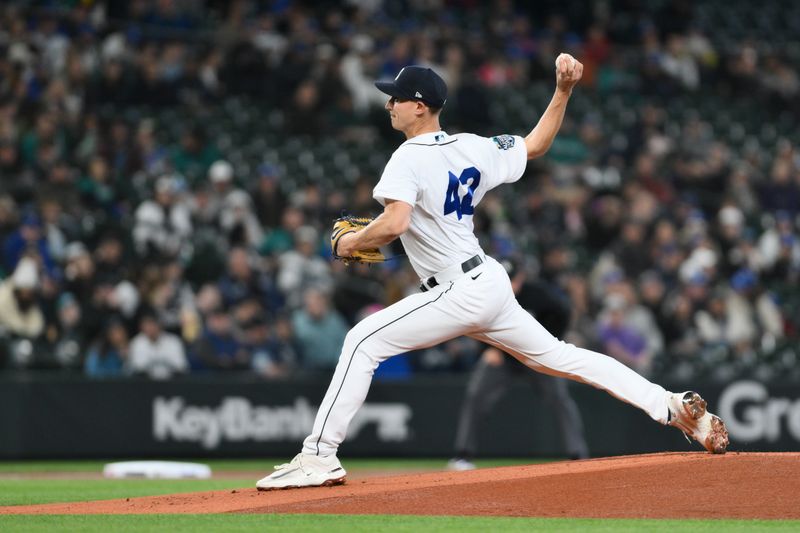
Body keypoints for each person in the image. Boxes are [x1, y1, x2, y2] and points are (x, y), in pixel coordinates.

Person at [256, 57, 729, 490]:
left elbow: (395, 224)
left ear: (419, 107)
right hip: (487, 281)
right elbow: (538, 144)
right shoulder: (474, 147)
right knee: (564, 357)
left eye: (396, 98)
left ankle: (319, 457)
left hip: (458, 288)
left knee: (362, 341)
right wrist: (563, 90)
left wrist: (350, 242)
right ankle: (674, 407)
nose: (389, 104)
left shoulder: (407, 156)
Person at [448, 258, 589, 471]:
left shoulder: (536, 294)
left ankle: (578, 454)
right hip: (504, 357)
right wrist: (487, 350)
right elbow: (472, 321)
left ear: (521, 278)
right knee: (476, 394)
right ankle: (463, 455)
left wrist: (549, 344)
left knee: (560, 399)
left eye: (513, 279)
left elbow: (563, 312)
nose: (510, 284)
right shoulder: (489, 292)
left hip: (535, 357)